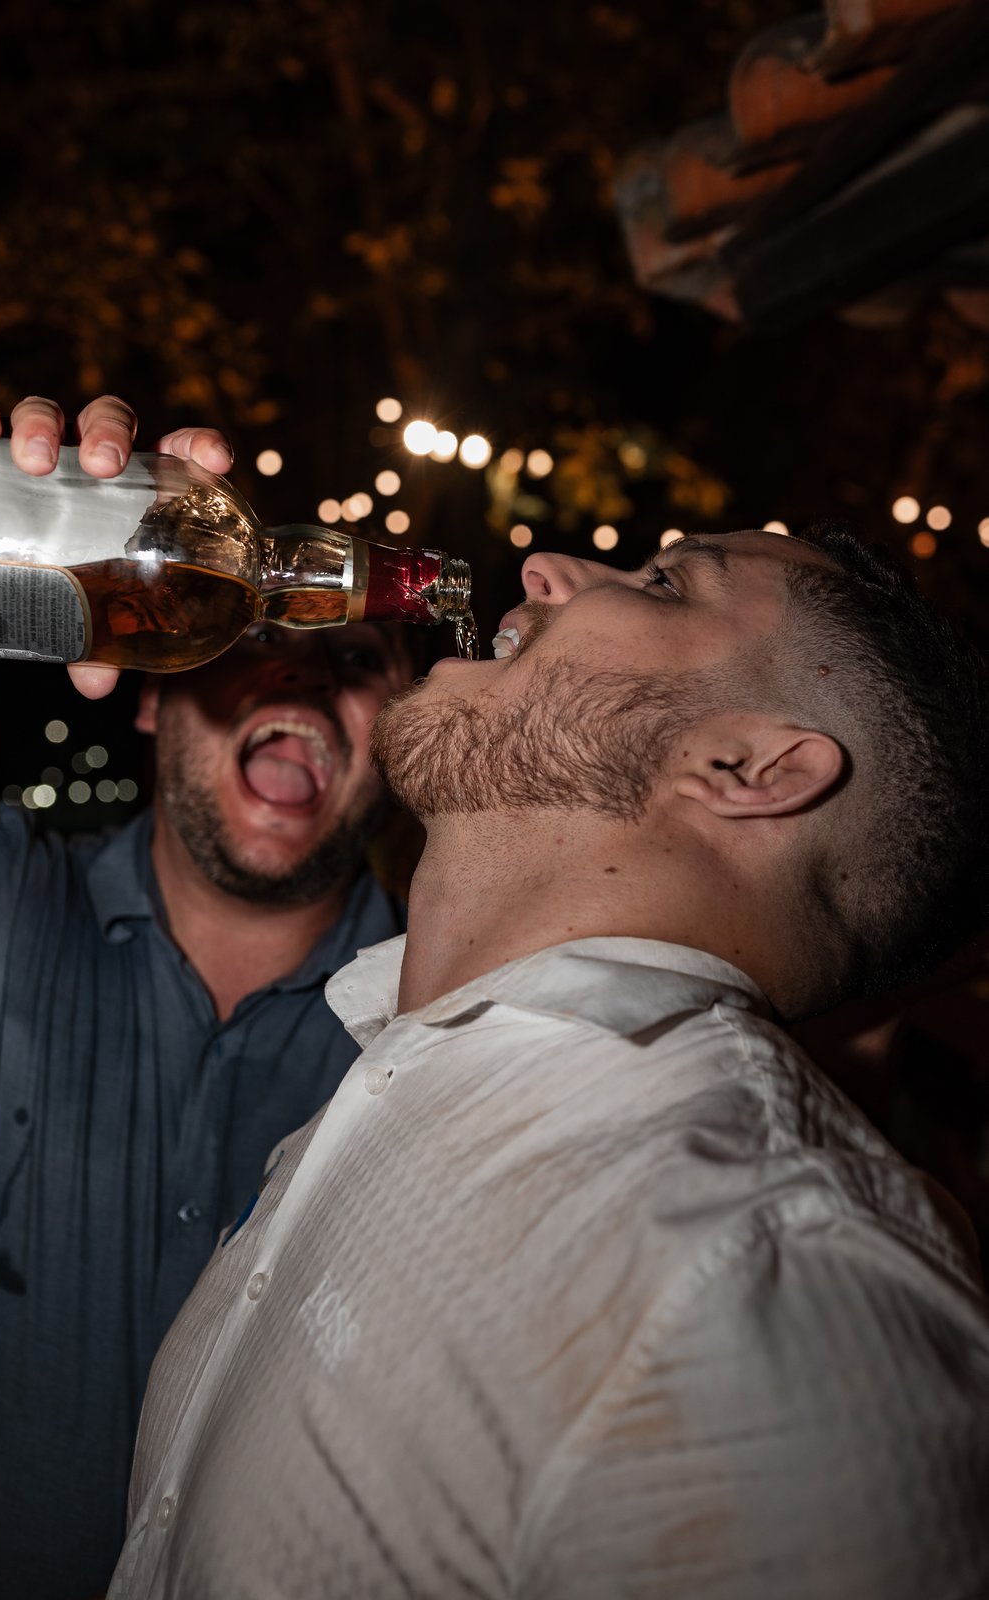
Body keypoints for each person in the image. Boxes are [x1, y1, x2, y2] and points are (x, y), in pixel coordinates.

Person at [113, 525, 989, 1598]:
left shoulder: (770, 1274)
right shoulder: (406, 1074)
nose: (543, 571)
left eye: (664, 583)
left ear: (749, 767)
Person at [0, 395, 415, 1600]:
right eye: (257, 631)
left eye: (356, 658)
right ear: (149, 683)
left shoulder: (441, 1035)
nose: (302, 667)